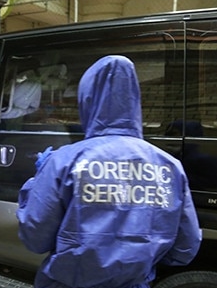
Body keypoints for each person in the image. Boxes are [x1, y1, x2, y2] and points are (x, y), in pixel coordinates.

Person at [16, 55, 201, 288]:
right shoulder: (169, 166)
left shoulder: (65, 161)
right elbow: (186, 248)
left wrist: (35, 183)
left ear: (87, 100)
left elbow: (35, 237)